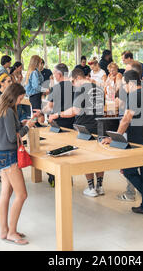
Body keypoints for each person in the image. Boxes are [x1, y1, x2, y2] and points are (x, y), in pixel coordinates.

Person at [102, 70, 143, 216]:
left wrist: (115, 138)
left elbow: (126, 118)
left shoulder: (133, 95)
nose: (124, 87)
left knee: (128, 170)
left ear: (130, 83)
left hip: (140, 140)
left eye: (124, 84)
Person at [0, 83, 39, 245]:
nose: (20, 101)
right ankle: (12, 232)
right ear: (14, 96)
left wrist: (23, 124)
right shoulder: (9, 112)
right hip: (10, 155)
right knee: (22, 194)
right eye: (20, 98)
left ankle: (4, 230)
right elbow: (13, 137)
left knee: (6, 194)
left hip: (0, 155)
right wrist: (28, 127)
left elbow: (9, 131)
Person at [49, 68, 106, 197]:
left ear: (78, 78)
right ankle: (100, 186)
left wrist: (58, 114)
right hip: (99, 126)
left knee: (86, 158)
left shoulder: (81, 89)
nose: (73, 85)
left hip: (84, 128)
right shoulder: (99, 88)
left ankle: (91, 187)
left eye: (73, 82)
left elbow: (75, 110)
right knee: (98, 157)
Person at [43, 63, 74, 187]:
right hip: (72, 124)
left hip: (58, 124)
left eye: (54, 73)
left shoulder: (56, 88)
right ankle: (68, 178)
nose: (53, 75)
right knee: (68, 151)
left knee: (55, 152)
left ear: (59, 74)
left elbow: (49, 107)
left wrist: (40, 112)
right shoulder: (75, 87)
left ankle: (55, 178)